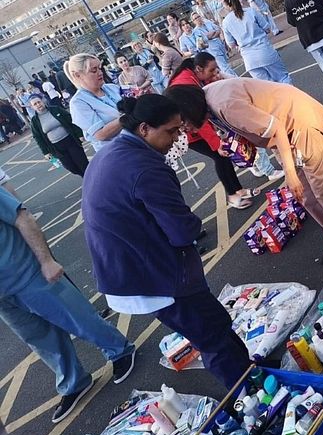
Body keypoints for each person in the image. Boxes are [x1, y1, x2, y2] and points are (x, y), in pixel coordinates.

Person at [81, 94, 250, 389]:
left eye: (180, 129)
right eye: (171, 131)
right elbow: (183, 231)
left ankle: (248, 371)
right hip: (150, 274)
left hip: (127, 268)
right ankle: (248, 391)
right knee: (211, 334)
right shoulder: (145, 167)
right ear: (145, 128)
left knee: (212, 323)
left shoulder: (112, 151)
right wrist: (194, 223)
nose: (178, 138)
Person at [166, 80, 323, 267]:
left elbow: (277, 128)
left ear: (189, 107)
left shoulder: (224, 104)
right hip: (282, 136)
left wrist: (289, 172)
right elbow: (241, 125)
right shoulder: (207, 105)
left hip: (298, 124)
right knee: (306, 196)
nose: (185, 129)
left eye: (183, 122)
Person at [0, 185, 136, 423]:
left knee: (77, 317)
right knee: (41, 340)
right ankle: (74, 383)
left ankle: (119, 349)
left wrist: (46, 261)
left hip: (28, 273)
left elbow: (23, 218)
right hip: (4, 297)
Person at [169, 53, 282, 198]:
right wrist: (216, 143)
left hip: (198, 127)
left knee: (226, 152)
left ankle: (241, 185)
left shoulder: (194, 77)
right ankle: (235, 193)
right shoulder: (186, 83)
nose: (215, 74)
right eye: (212, 71)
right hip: (194, 135)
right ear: (198, 68)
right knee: (221, 154)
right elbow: (198, 119)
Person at [221, 0, 292, 84]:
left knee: (266, 86)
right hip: (264, 50)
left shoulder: (226, 22)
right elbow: (267, 28)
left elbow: (231, 45)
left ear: (225, 4)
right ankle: (292, 98)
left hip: (250, 60)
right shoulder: (251, 12)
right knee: (283, 77)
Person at [67, 54, 125, 151]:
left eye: (100, 68)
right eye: (94, 70)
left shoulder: (112, 88)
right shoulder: (78, 103)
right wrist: (127, 117)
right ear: (77, 75)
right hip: (116, 152)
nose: (100, 73)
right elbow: (101, 134)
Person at [28, 95, 89, 177]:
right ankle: (85, 177)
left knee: (83, 163)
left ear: (43, 101)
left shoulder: (55, 109)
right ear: (32, 107)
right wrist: (45, 152)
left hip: (70, 141)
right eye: (35, 104)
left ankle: (90, 179)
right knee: (71, 167)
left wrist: (79, 134)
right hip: (57, 147)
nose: (38, 105)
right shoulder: (34, 121)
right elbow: (38, 138)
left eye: (39, 102)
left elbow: (71, 120)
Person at [191, 12, 238, 78]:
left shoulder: (208, 23)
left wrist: (213, 35)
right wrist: (209, 36)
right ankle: (236, 79)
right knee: (225, 67)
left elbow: (218, 29)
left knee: (226, 64)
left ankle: (227, 79)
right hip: (212, 50)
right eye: (195, 18)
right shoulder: (196, 31)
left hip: (220, 45)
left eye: (198, 17)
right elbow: (201, 42)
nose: (197, 19)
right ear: (193, 21)